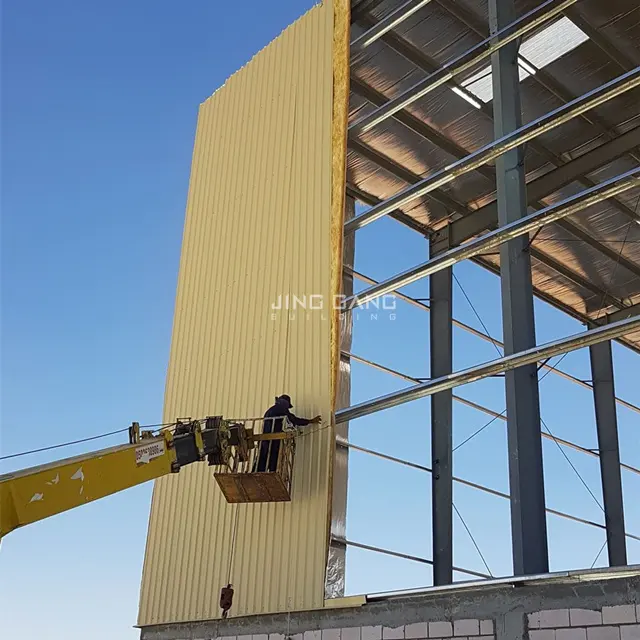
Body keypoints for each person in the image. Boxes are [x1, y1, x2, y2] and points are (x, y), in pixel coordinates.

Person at [255, 395, 321, 473]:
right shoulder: (281, 408)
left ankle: (257, 473)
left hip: (266, 439)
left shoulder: (272, 410)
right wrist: (310, 421)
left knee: (263, 459)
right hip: (272, 439)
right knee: (272, 458)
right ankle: (271, 472)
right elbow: (293, 419)